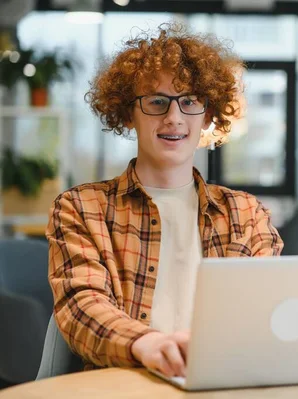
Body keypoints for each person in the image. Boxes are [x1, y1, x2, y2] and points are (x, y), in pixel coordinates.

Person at [46, 24, 283, 379]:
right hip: (125, 382)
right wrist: (150, 345)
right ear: (129, 113)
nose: (174, 117)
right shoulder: (82, 208)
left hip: (220, 381)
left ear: (206, 115)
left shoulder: (245, 213)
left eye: (189, 101)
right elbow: (82, 307)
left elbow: (267, 309)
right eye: (157, 101)